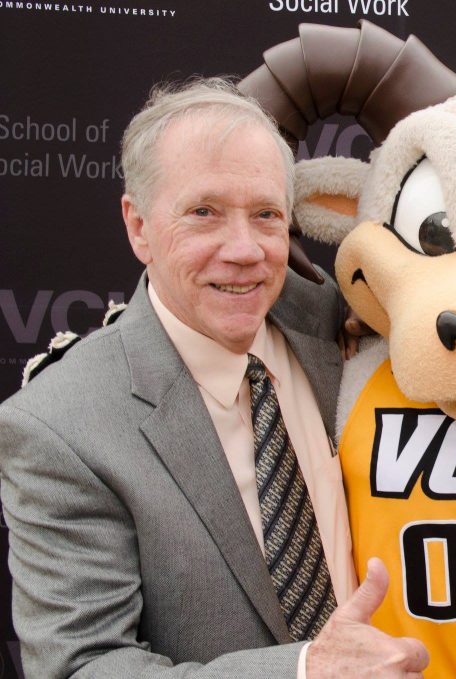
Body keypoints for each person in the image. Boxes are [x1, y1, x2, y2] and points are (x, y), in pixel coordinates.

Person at [0, 79, 427, 678]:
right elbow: (82, 668)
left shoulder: (340, 321)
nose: (244, 249)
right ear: (138, 225)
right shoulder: (59, 429)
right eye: (204, 213)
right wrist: (305, 671)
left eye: (266, 215)